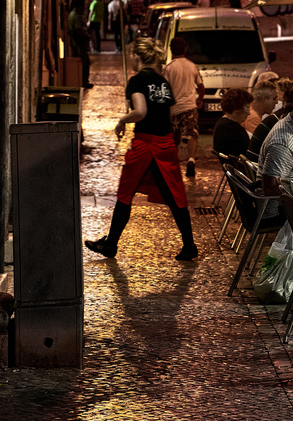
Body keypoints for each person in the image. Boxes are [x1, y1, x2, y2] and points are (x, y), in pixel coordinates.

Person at [85, 36, 198, 262]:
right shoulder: (163, 82)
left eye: (131, 56)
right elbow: (169, 110)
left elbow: (141, 111)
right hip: (165, 144)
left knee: (125, 194)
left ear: (137, 56)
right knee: (175, 195)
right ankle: (189, 245)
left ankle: (110, 246)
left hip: (146, 143)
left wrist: (121, 121)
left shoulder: (137, 81)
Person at [163, 36, 203, 179]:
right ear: (185, 49)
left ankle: (173, 165)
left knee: (174, 138)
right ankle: (191, 160)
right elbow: (201, 86)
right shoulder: (192, 66)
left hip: (174, 109)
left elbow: (165, 89)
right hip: (190, 107)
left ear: (171, 50)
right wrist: (200, 100)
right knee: (192, 134)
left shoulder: (168, 68)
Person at [211, 88, 253, 159]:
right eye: (247, 107)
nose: (249, 112)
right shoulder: (231, 128)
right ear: (237, 108)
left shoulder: (224, 125)